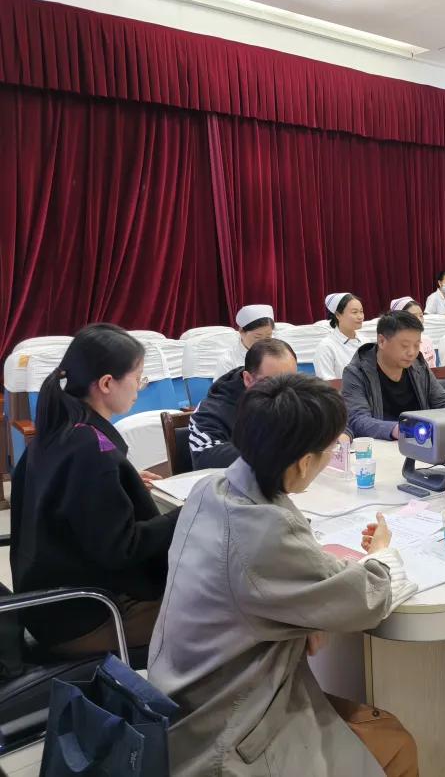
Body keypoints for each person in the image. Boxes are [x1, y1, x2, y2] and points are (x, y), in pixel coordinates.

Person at [148, 374, 419, 777]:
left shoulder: (212, 488)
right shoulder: (265, 532)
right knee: (395, 745)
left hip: (185, 695)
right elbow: (369, 597)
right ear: (304, 462)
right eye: (329, 450)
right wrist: (382, 553)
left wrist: (302, 618)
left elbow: (259, 587)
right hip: (226, 731)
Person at [11, 324, 180, 656]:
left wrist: (121, 479)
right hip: (90, 616)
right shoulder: (92, 449)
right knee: (220, 608)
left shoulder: (59, 431)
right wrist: (182, 516)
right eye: (138, 378)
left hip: (48, 609)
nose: (139, 387)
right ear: (106, 383)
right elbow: (121, 549)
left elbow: (70, 492)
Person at [342, 310, 445, 439]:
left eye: (417, 345)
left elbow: (443, 401)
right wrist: (400, 429)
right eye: (404, 346)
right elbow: (358, 420)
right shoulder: (356, 372)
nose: (412, 352)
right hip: (381, 444)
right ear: (382, 341)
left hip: (420, 441)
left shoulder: (419, 365)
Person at [189, 339, 299, 469]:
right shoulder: (213, 409)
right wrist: (270, 453)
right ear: (248, 379)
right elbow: (204, 455)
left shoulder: (299, 397)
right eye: (272, 382)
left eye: (291, 380)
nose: (285, 390)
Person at [215, 304, 275, 379]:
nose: (263, 342)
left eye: (268, 336)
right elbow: (220, 386)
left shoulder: (278, 351)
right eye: (257, 337)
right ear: (241, 331)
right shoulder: (228, 361)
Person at [313, 293, 364, 380]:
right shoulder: (326, 347)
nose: (360, 317)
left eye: (361, 311)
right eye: (354, 312)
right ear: (338, 315)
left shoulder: (366, 341)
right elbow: (327, 383)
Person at [390, 297, 436, 367]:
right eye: (413, 316)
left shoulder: (427, 341)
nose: (419, 320)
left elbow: (433, 368)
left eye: (421, 315)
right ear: (399, 319)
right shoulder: (394, 347)